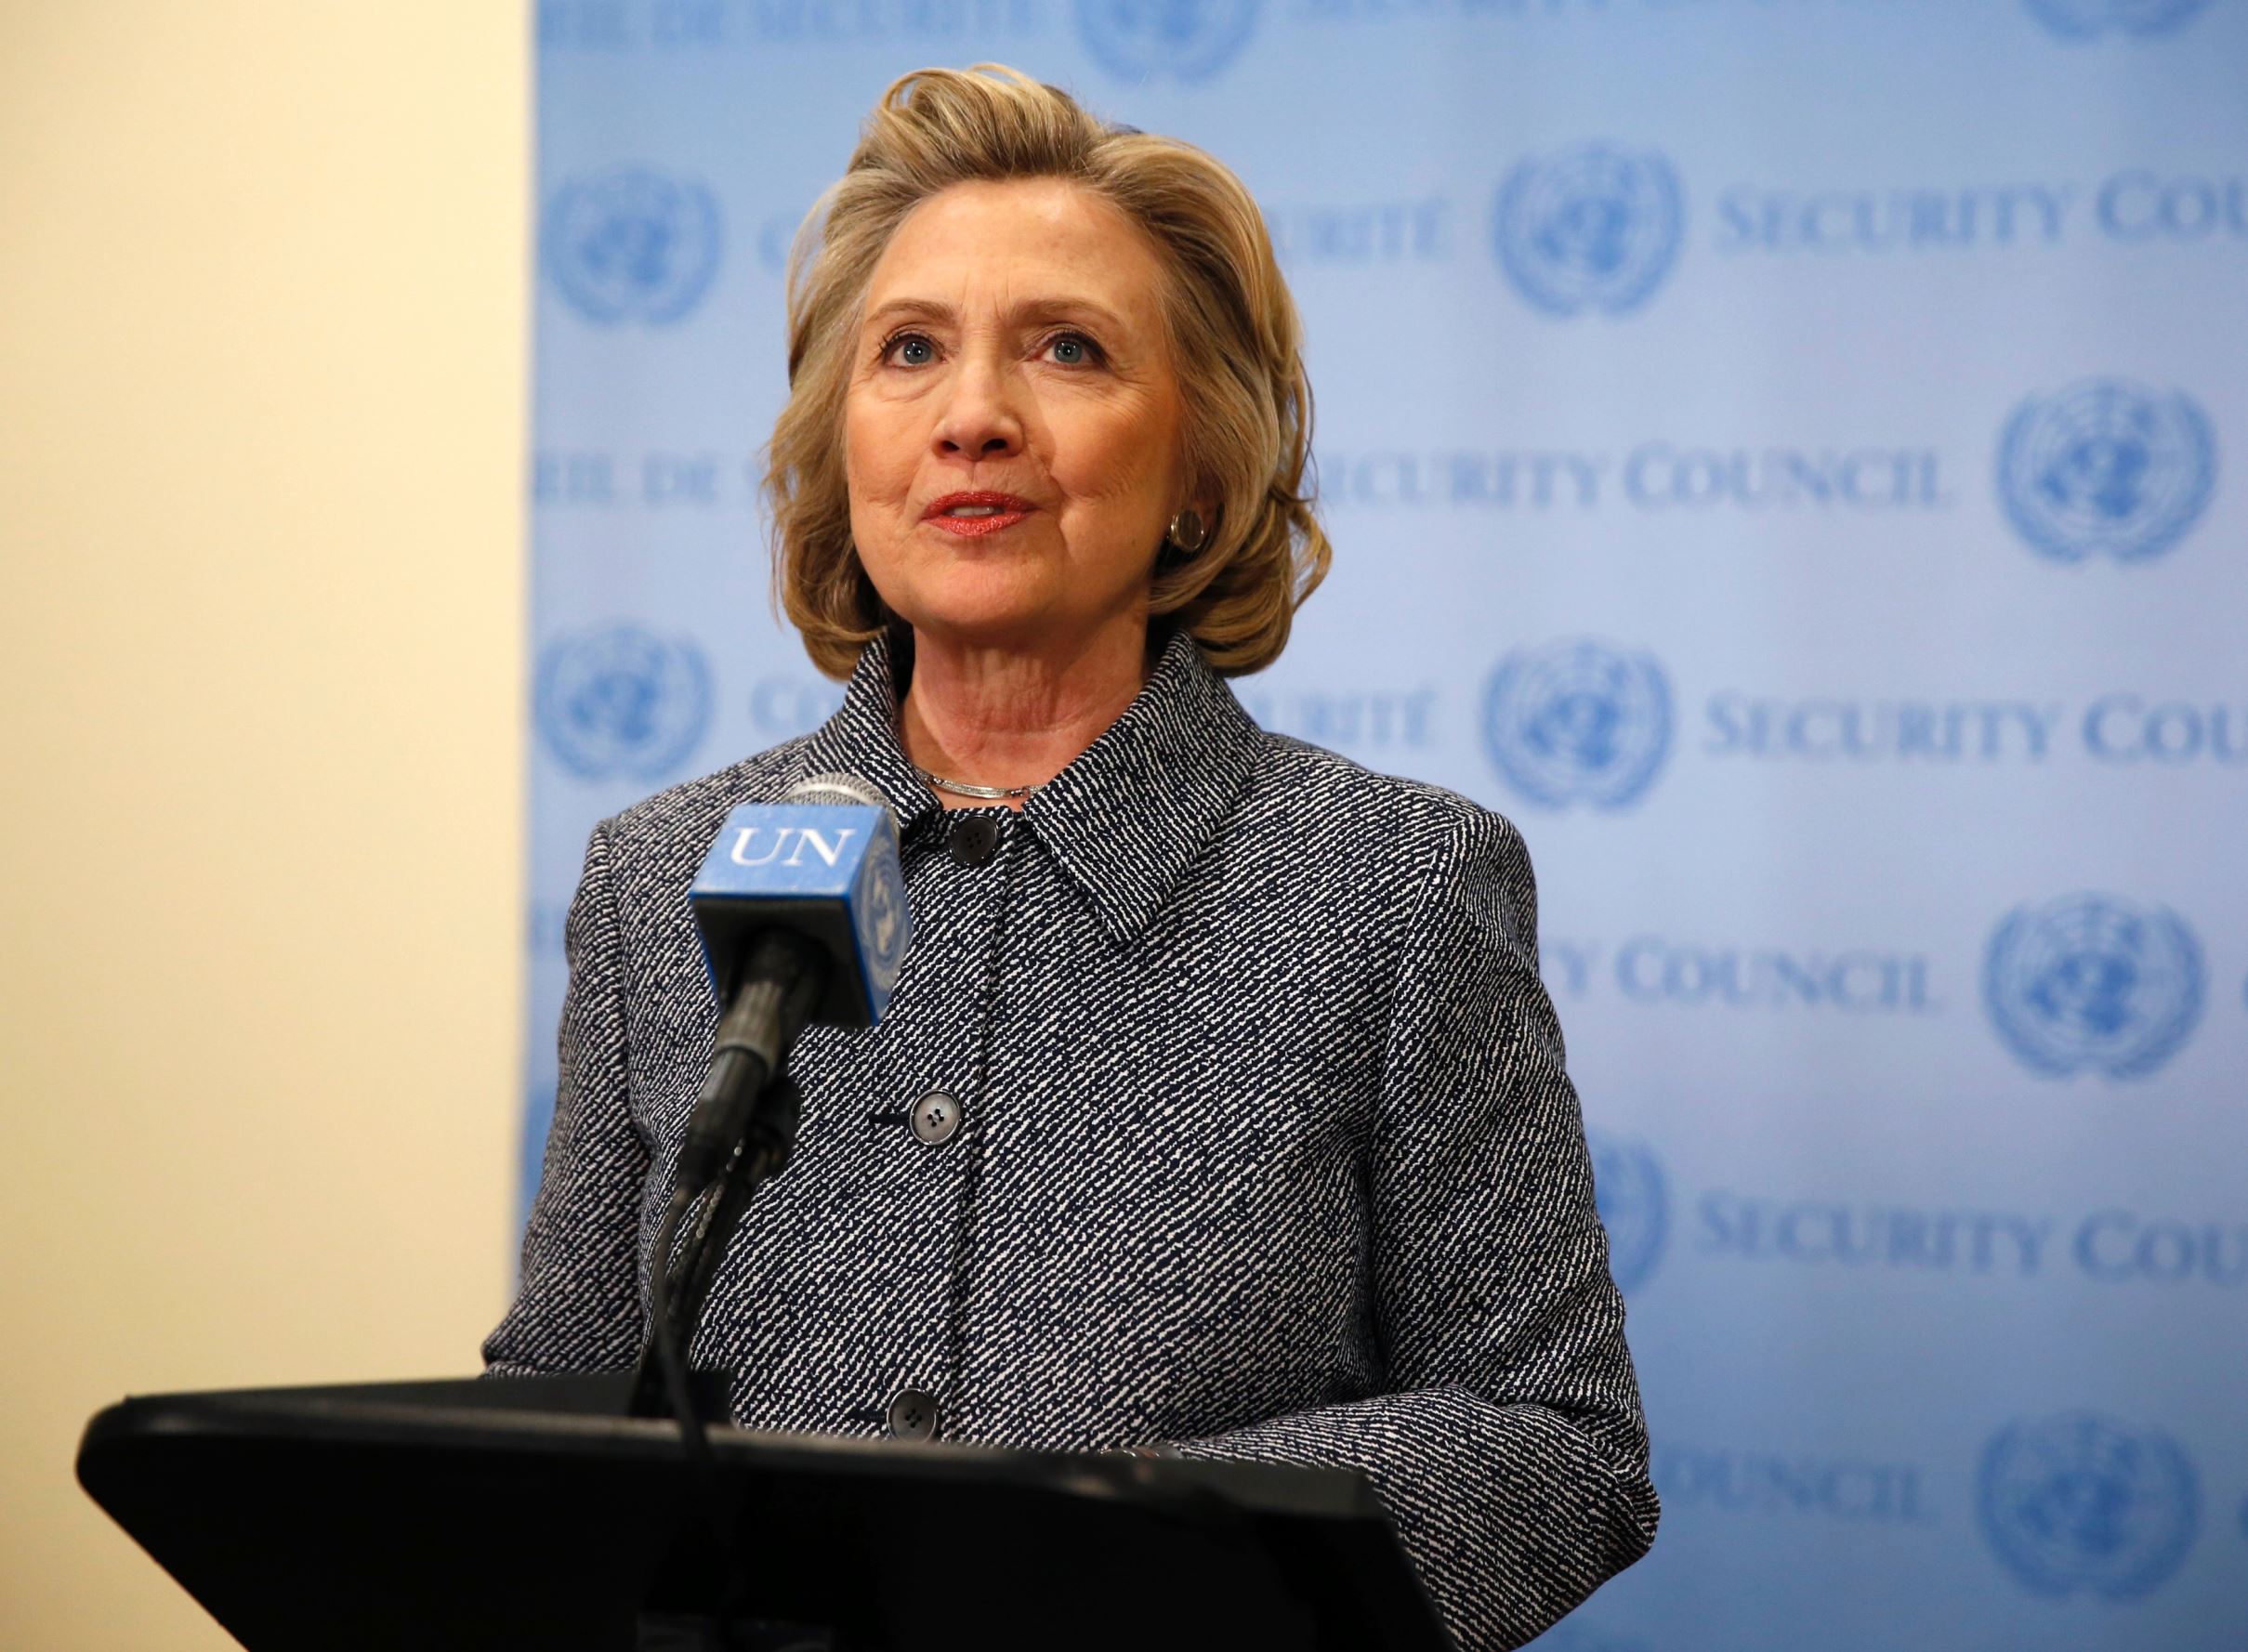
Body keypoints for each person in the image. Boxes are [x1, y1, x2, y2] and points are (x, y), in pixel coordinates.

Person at [487, 64, 1657, 1650]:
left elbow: (1559, 1439)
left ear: (1198, 466)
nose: (973, 412)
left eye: (1068, 348)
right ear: (845, 443)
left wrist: (1127, 1549)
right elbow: (554, 1399)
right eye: (910, 351)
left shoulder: (1396, 886)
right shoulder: (657, 875)